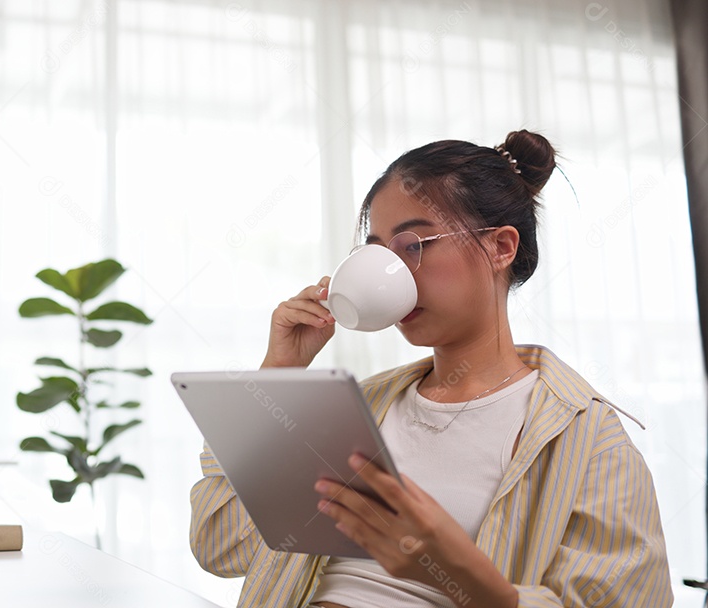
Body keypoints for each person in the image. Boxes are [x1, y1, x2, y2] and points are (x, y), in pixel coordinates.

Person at [189, 130, 673, 607]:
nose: (392, 272)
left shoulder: (588, 440)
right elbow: (220, 544)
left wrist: (457, 570)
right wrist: (280, 374)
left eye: (414, 245)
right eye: (378, 252)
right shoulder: (357, 410)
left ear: (501, 248)